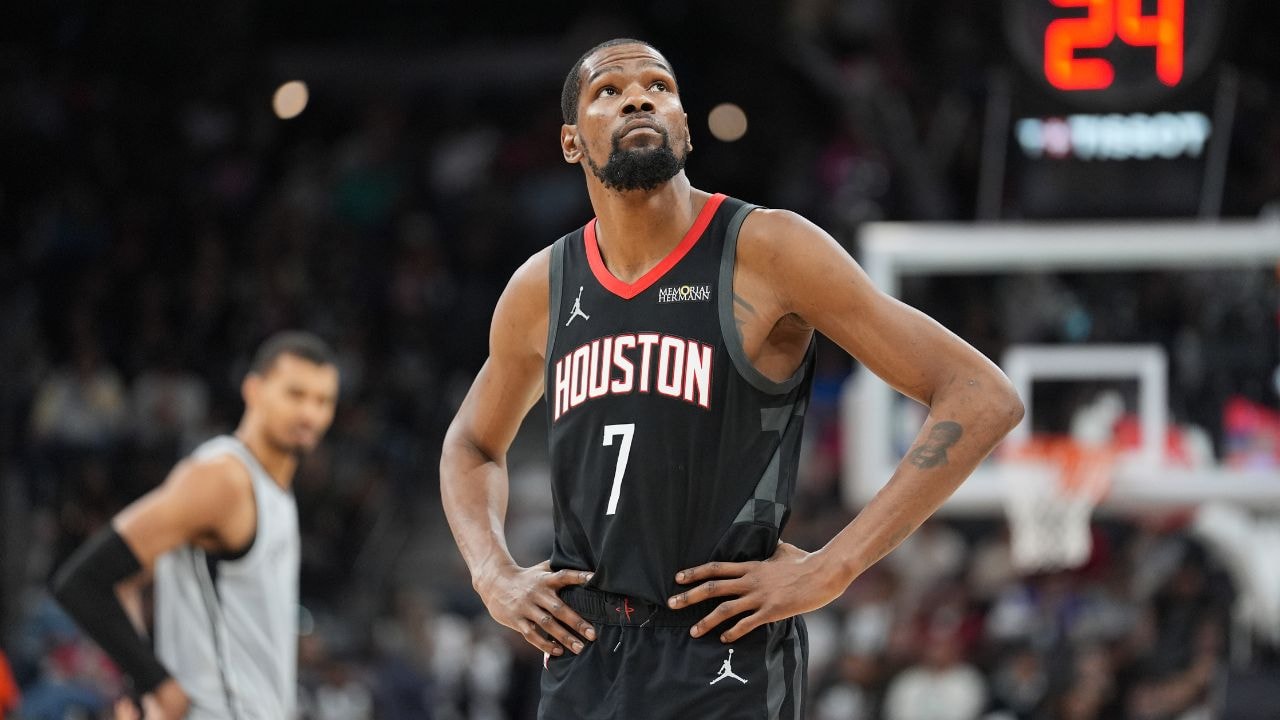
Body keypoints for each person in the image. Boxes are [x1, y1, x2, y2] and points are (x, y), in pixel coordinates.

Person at [439, 38, 1024, 719]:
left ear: (685, 126)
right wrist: (492, 573)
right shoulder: (541, 287)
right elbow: (470, 445)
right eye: (609, 90)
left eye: (659, 85)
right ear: (572, 144)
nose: (637, 96)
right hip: (584, 653)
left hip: (724, 649)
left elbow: (980, 396)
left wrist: (834, 567)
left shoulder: (768, 250)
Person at [51, 331, 340, 719]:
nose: (310, 414)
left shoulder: (275, 490)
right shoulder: (223, 480)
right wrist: (157, 686)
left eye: (323, 401)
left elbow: (130, 582)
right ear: (254, 390)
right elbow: (84, 580)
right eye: (295, 394)